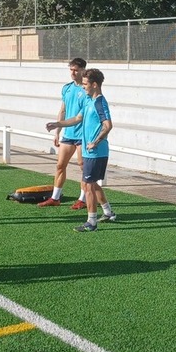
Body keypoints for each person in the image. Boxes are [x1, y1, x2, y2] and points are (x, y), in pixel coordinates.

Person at [44, 68, 115, 232]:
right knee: (92, 183)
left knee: (88, 185)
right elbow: (77, 118)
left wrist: (95, 142)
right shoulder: (90, 101)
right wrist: (57, 124)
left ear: (94, 85)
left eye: (85, 84)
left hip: (95, 151)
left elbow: (108, 125)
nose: (83, 87)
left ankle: (92, 222)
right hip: (93, 151)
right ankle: (108, 212)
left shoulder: (99, 102)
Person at [38, 58, 88, 209]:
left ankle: (83, 199)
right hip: (68, 133)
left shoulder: (87, 89)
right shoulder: (67, 88)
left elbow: (83, 115)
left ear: (83, 70)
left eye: (76, 70)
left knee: (83, 166)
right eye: (71, 69)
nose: (73, 73)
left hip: (82, 135)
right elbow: (63, 110)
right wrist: (57, 133)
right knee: (60, 165)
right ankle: (55, 197)